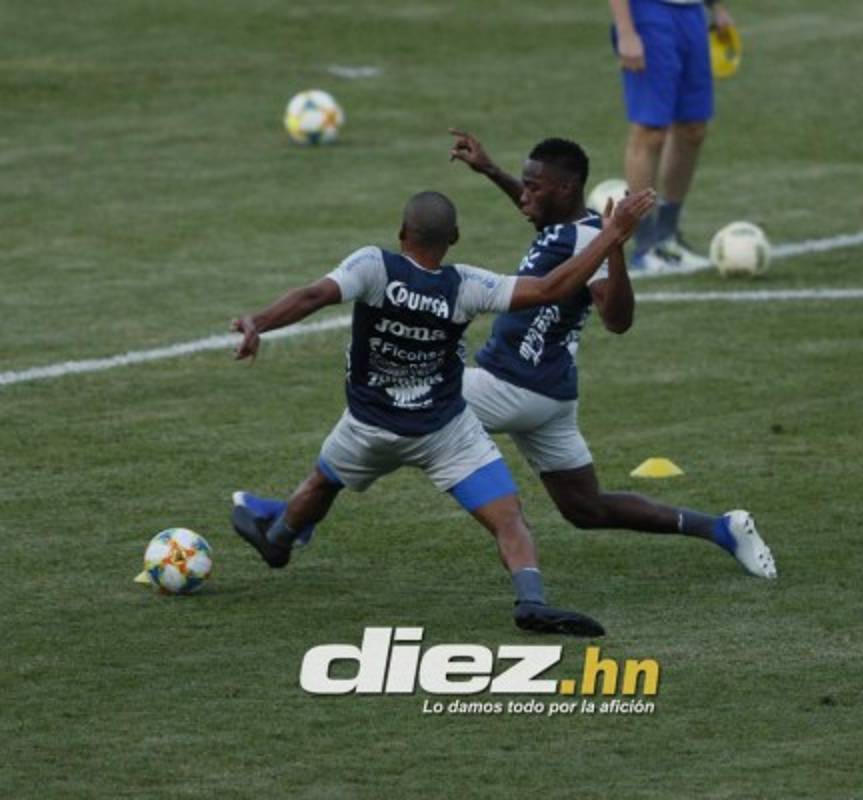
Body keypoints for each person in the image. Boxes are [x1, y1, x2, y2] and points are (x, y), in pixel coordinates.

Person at [227, 188, 656, 637]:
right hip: (445, 432)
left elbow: (314, 295)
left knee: (323, 480)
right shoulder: (465, 286)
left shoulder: (374, 265)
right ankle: (531, 601)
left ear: (401, 232)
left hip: (368, 426)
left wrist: (259, 322)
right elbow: (553, 288)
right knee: (508, 518)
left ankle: (278, 542)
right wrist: (611, 237)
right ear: (454, 236)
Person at [447, 130, 776, 579]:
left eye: (535, 186)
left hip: (511, 385)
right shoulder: (566, 228)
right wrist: (489, 169)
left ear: (565, 190)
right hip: (548, 396)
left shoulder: (591, 243)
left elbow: (618, 319)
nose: (525, 194)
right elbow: (538, 210)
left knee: (401, 403)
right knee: (585, 508)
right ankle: (721, 528)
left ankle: (316, 504)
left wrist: (616, 247)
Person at [607, 0, 734, 272]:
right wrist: (626, 31)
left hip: (693, 13)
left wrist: (718, 7)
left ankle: (668, 237)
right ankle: (644, 245)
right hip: (648, 13)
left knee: (693, 128)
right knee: (650, 132)